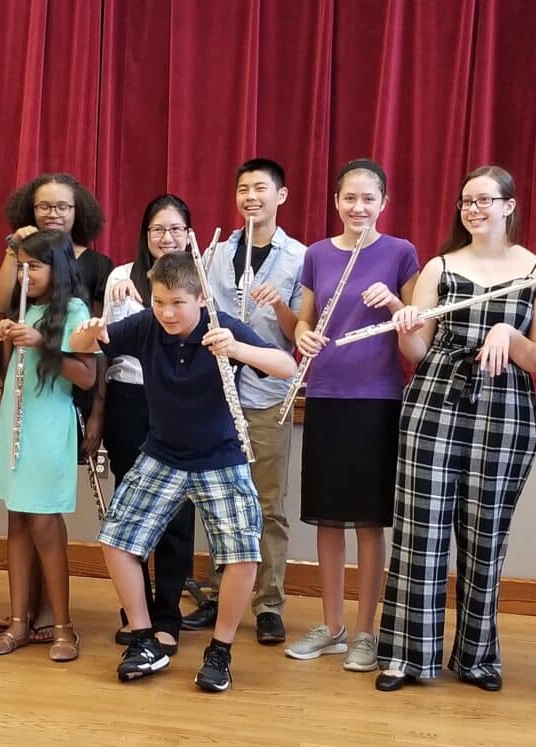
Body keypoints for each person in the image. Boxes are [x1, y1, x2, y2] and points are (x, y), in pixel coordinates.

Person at [70, 250, 297, 692]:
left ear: (201, 299)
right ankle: (143, 638)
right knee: (116, 542)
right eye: (159, 302)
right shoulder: (146, 325)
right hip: (162, 455)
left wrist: (238, 348)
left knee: (243, 556)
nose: (167, 312)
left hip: (219, 457)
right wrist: (88, 333)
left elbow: (287, 368)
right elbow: (82, 347)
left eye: (178, 303)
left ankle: (220, 652)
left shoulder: (222, 324)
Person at [376, 165, 536, 693]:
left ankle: (477, 658)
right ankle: (408, 657)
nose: (473, 210)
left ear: (509, 205)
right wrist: (405, 329)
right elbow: (418, 352)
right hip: (434, 405)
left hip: (504, 413)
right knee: (420, 533)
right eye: (465, 202)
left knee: (486, 536)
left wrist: (508, 333)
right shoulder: (439, 267)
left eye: (484, 200)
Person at [286, 159, 418, 671]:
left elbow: (415, 332)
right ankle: (333, 624)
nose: (358, 207)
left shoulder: (402, 253)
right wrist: (302, 335)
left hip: (378, 397)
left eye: (368, 199)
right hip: (325, 393)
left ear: (383, 203)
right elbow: (304, 319)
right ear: (335, 201)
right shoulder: (317, 254)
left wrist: (391, 303)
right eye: (349, 198)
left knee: (368, 520)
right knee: (327, 516)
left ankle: (367, 630)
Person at [181, 157, 307, 645]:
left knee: (266, 503)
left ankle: (269, 602)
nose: (251, 197)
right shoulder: (213, 253)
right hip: (215, 393)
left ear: (282, 196)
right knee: (218, 501)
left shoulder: (299, 257)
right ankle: (218, 594)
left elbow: (299, 337)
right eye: (243, 189)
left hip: (265, 395)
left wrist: (278, 304)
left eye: (261, 188)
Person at [0, 229, 95, 663]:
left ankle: (63, 626)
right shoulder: (28, 306)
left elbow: (86, 376)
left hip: (48, 424)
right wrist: (9, 333)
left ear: (59, 267)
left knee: (45, 526)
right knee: (16, 523)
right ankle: (18, 622)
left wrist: (42, 343)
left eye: (35, 267)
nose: (26, 275)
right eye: (21, 267)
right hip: (16, 419)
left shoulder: (76, 309)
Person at [99, 194, 196, 655]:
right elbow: (103, 344)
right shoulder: (121, 276)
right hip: (130, 398)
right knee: (131, 508)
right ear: (146, 234)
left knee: (177, 513)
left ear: (189, 234)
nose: (167, 238)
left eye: (176, 229)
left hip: (180, 400)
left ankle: (167, 615)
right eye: (158, 230)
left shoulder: (199, 278)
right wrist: (113, 310)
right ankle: (134, 611)